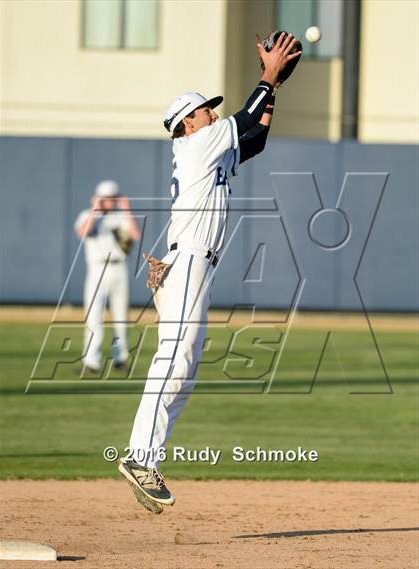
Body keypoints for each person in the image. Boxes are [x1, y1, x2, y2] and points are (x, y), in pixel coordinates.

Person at [118, 33, 302, 510]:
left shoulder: (209, 147)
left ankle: (146, 457)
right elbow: (243, 119)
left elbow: (254, 138)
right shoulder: (197, 145)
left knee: (185, 367)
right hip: (189, 259)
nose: (213, 114)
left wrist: (275, 86)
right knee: (174, 358)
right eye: (205, 110)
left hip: (196, 264)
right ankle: (139, 456)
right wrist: (267, 74)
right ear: (187, 124)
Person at [74, 180, 141, 372]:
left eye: (113, 198)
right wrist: (96, 209)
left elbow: (135, 235)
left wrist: (126, 209)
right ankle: (91, 361)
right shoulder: (88, 215)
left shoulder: (121, 217)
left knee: (121, 315)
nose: (109, 202)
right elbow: (82, 232)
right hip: (97, 268)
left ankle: (120, 357)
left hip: (119, 267)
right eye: (106, 198)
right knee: (94, 316)